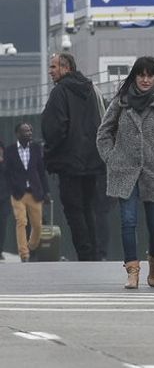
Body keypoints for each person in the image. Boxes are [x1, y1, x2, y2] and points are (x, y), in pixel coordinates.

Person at [96, 57, 154, 289]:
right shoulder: (121, 102)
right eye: (141, 75)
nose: (145, 79)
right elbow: (104, 132)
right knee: (128, 221)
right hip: (125, 171)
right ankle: (132, 270)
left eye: (150, 75)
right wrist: (111, 157)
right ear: (134, 77)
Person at [41, 52, 106, 261]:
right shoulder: (90, 89)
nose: (50, 72)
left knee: (73, 210)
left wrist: (50, 152)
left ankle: (85, 253)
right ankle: (94, 253)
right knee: (88, 208)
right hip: (92, 162)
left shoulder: (60, 92)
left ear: (65, 68)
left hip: (69, 163)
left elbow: (55, 128)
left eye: (53, 67)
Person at [3, 123, 49, 262]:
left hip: (35, 192)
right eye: (25, 131)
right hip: (18, 194)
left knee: (37, 225)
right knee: (21, 221)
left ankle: (31, 246)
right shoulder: (10, 151)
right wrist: (12, 187)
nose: (29, 133)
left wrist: (47, 191)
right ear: (18, 134)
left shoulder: (36, 149)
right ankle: (24, 254)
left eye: (30, 130)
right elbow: (7, 172)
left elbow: (41, 172)